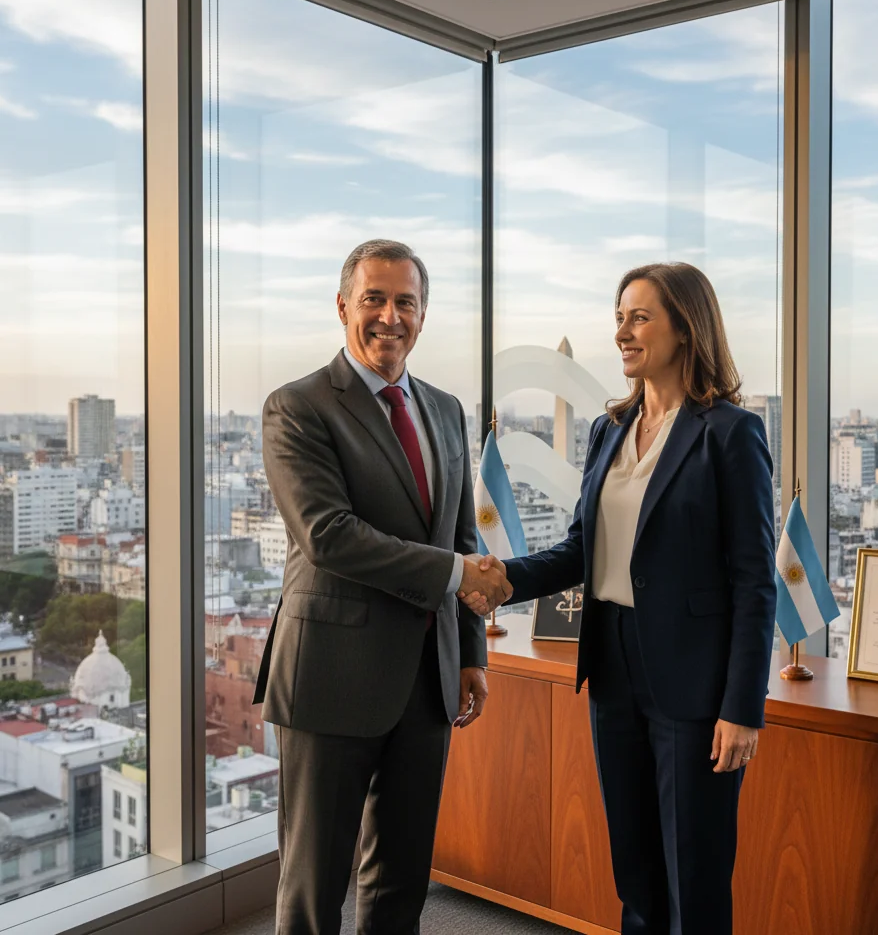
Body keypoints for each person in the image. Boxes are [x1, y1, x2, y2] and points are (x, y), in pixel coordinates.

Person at [462, 262, 776, 935]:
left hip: (695, 685)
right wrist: (505, 578)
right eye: (618, 318)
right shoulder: (609, 429)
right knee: (634, 871)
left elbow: (755, 583)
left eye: (639, 317)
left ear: (685, 327)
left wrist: (741, 709)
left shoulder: (730, 433)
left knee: (694, 878)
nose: (622, 333)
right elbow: (583, 547)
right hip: (612, 670)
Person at [254, 239, 511, 935]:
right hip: (330, 677)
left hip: (427, 681)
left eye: (406, 302)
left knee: (401, 880)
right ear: (343, 306)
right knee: (313, 889)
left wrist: (471, 654)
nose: (390, 317)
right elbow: (328, 535)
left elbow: (460, 536)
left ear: (423, 315)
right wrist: (458, 575)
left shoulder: (445, 409)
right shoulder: (297, 406)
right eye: (374, 299)